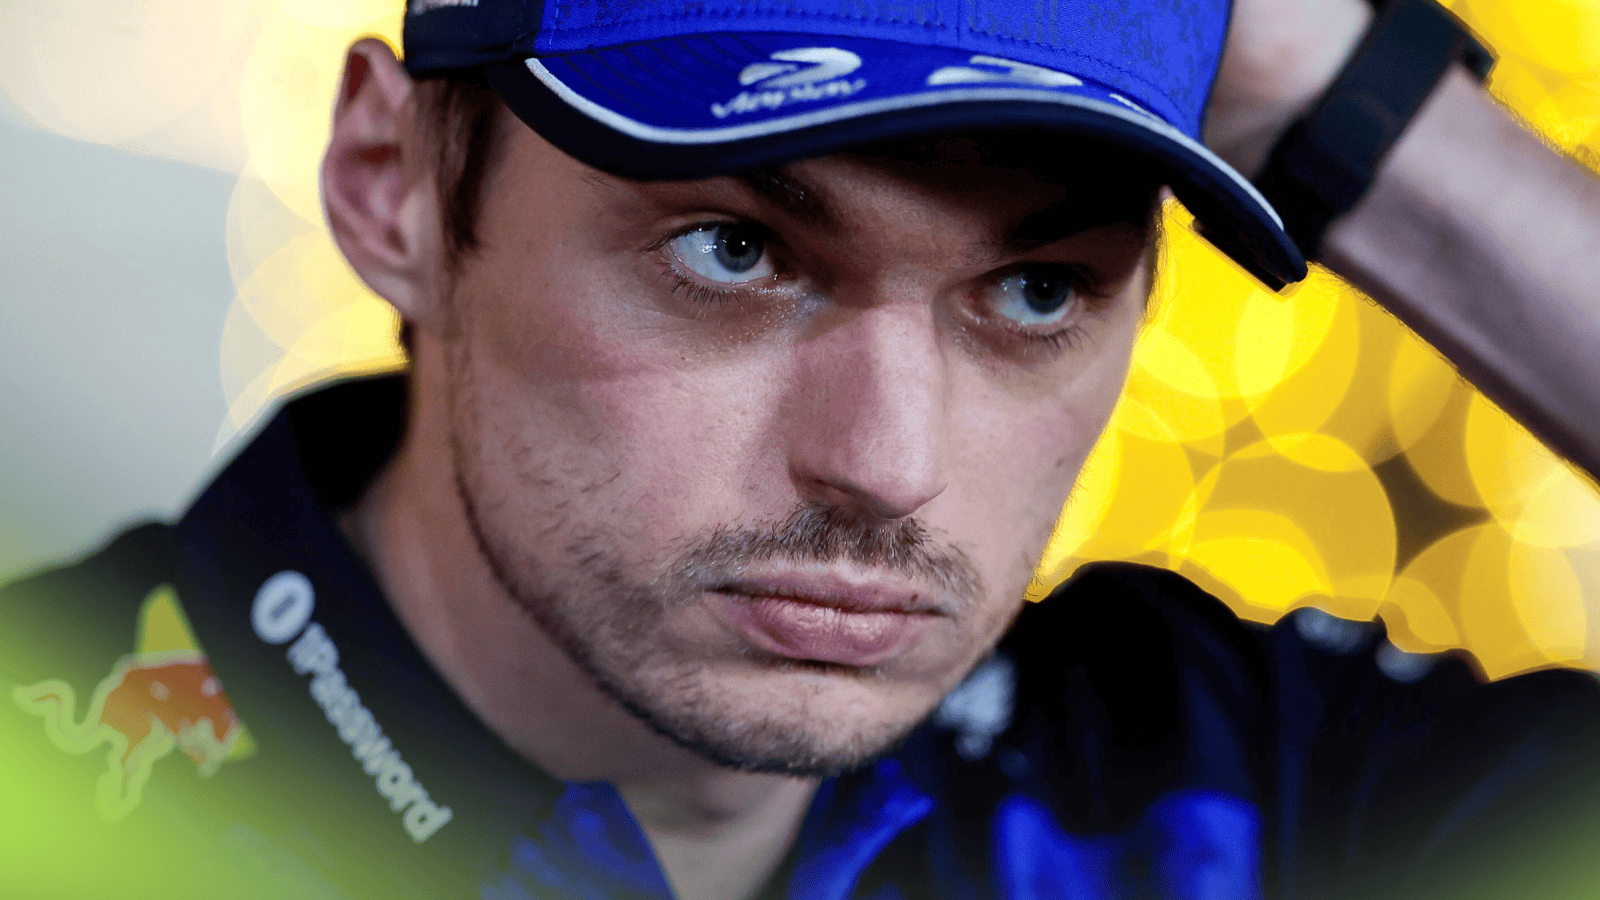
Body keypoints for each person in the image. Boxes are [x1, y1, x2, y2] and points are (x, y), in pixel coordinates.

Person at [7, 0, 1600, 898]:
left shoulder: (1223, 792)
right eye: (732, 251)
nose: (888, 463)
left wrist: (1339, 94)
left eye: (1036, 288)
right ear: (392, 187)